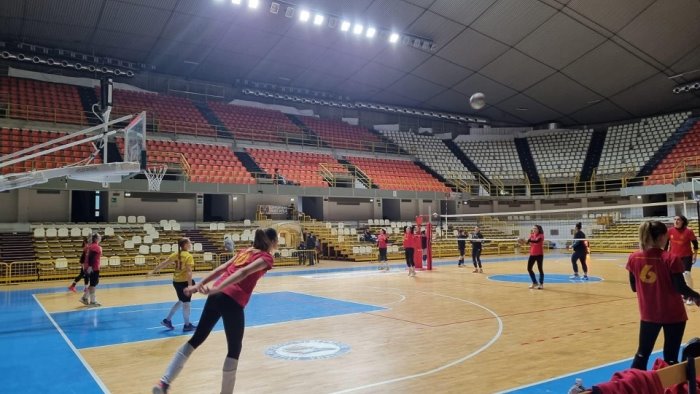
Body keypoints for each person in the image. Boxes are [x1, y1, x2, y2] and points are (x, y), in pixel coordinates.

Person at [153, 228, 278, 394]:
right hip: (232, 300)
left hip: (216, 297)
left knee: (196, 339)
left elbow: (222, 269)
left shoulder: (245, 251)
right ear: (272, 241)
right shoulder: (266, 258)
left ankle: (164, 382)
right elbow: (244, 272)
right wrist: (216, 287)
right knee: (234, 349)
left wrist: (200, 285)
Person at [627, 221, 700, 370]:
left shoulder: (634, 258)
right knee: (671, 358)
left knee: (642, 354)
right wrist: (697, 296)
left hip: (648, 314)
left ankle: (634, 385)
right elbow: (680, 287)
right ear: (661, 237)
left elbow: (634, 287)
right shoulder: (670, 258)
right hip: (673, 314)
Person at [148, 238, 197, 332]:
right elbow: (189, 272)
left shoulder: (176, 254)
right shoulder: (188, 256)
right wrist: (190, 286)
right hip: (184, 282)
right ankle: (187, 325)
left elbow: (164, 263)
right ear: (185, 245)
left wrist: (154, 271)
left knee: (182, 301)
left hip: (176, 281)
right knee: (186, 303)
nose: (191, 244)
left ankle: (167, 320)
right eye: (189, 243)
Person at [667, 215, 698, 305]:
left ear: (683, 221)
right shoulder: (670, 231)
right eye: (675, 219)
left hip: (686, 256)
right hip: (674, 257)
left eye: (678, 220)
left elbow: (695, 244)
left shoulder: (689, 231)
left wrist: (695, 255)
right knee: (677, 277)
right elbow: (666, 244)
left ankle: (691, 296)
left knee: (686, 274)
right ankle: (684, 295)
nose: (676, 221)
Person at [81, 232, 102, 306]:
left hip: (89, 267)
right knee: (93, 284)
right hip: (93, 268)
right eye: (99, 237)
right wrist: (90, 266)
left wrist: (85, 266)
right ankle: (92, 301)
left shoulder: (89, 246)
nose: (100, 238)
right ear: (96, 239)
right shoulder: (96, 247)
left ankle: (84, 297)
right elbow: (91, 257)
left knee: (95, 283)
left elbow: (84, 257)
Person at [524, 225, 544, 290]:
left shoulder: (541, 235)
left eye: (535, 228)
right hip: (532, 254)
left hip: (539, 255)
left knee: (540, 269)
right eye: (533, 228)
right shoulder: (532, 235)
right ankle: (535, 282)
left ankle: (541, 284)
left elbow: (537, 241)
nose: (534, 229)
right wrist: (523, 241)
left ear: (539, 229)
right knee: (529, 269)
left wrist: (529, 240)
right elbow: (527, 243)